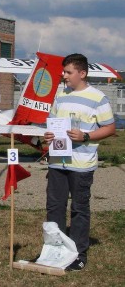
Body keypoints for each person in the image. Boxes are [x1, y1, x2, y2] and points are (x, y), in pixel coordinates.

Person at [44, 53, 115, 271]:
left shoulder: (98, 98)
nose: (63, 75)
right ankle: (54, 250)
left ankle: (77, 254)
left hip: (82, 164)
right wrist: (48, 136)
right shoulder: (61, 96)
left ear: (82, 73)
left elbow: (110, 128)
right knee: (54, 207)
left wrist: (85, 136)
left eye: (68, 72)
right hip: (57, 161)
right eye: (63, 71)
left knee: (79, 209)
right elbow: (53, 124)